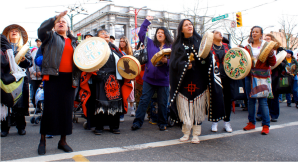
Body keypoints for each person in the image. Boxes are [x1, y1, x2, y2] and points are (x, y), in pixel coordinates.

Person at [169, 19, 225, 143]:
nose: (189, 26)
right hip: (183, 83)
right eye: (186, 25)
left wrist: (204, 59)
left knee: (197, 109)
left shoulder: (201, 42)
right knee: (184, 108)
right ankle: (185, 132)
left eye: (190, 24)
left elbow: (208, 59)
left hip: (199, 80)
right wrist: (184, 64)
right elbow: (173, 63)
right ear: (181, 29)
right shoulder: (177, 45)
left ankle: (196, 134)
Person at [37, 10, 81, 155]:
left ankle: (62, 141)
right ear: (54, 27)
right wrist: (54, 18)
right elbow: (41, 29)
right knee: (49, 110)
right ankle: (42, 140)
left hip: (70, 79)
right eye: (58, 22)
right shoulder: (49, 36)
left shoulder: (75, 42)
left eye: (64, 22)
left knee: (66, 111)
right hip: (53, 77)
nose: (61, 23)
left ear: (68, 27)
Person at [81, 29, 132, 135]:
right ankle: (99, 127)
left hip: (115, 79)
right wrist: (96, 73)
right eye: (102, 33)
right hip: (100, 79)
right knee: (100, 103)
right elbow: (88, 63)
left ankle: (114, 126)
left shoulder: (115, 49)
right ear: (97, 37)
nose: (106, 35)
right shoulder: (93, 50)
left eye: (107, 33)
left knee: (115, 102)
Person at [131, 16, 173, 131]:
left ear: (166, 35)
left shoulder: (171, 46)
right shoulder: (150, 43)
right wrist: (146, 22)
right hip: (148, 79)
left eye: (162, 32)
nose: (159, 34)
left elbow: (175, 62)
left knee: (163, 102)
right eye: (158, 32)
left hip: (163, 80)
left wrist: (167, 61)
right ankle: (137, 122)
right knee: (144, 101)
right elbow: (141, 33)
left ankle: (162, 123)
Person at [243, 26, 276, 135]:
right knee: (250, 100)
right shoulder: (247, 47)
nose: (254, 33)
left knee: (262, 102)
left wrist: (270, 54)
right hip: (250, 76)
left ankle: (266, 125)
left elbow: (273, 63)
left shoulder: (266, 46)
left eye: (257, 32)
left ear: (261, 34)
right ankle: (251, 123)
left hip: (262, 77)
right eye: (253, 32)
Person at [1, 24, 33, 137]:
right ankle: (4, 128)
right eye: (11, 31)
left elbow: (30, 63)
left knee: (20, 103)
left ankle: (21, 126)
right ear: (8, 35)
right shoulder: (2, 48)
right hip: (6, 78)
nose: (14, 32)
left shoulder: (24, 48)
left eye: (16, 31)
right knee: (5, 102)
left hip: (20, 79)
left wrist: (24, 60)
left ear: (19, 35)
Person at [256, 33, 286, 122]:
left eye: (268, 38)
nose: (266, 40)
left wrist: (277, 64)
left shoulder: (280, 50)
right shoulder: (261, 49)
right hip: (264, 75)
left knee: (274, 96)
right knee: (262, 94)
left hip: (275, 76)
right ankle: (260, 114)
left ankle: (274, 115)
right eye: (265, 39)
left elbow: (283, 63)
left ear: (273, 40)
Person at [210, 30, 233, 133]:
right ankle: (215, 121)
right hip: (215, 77)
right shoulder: (209, 47)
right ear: (212, 36)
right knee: (215, 100)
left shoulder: (227, 46)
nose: (220, 34)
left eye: (221, 33)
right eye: (217, 33)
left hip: (227, 77)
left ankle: (227, 122)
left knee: (227, 100)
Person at [119, 36, 136, 117]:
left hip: (129, 74)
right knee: (123, 93)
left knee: (131, 92)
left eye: (123, 41)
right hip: (120, 74)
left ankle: (132, 108)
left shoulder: (130, 52)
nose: (121, 43)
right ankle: (123, 112)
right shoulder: (117, 50)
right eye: (120, 41)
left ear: (126, 42)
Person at [29, 39, 42, 109]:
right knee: (34, 92)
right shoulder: (33, 52)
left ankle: (41, 107)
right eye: (37, 42)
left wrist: (41, 72)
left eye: (40, 42)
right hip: (34, 77)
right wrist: (34, 72)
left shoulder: (46, 50)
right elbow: (30, 64)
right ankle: (36, 106)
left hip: (43, 76)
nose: (38, 43)